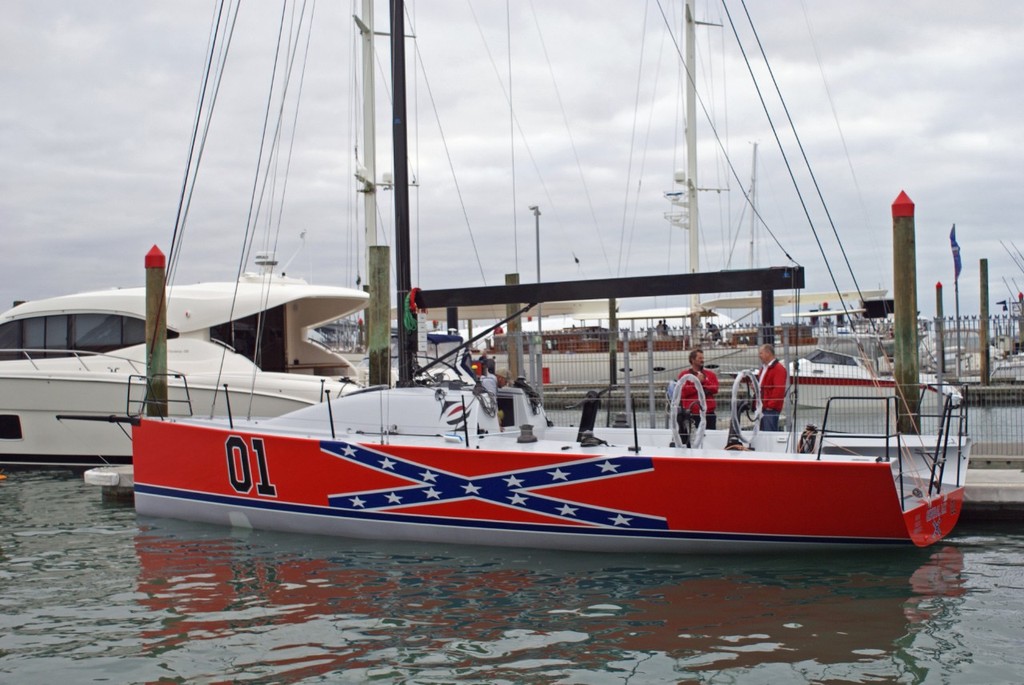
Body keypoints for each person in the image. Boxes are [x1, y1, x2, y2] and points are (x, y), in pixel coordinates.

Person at [678, 348, 719, 430]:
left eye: (703, 358)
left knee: (710, 437)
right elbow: (682, 392)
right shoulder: (684, 375)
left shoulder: (710, 375)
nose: (702, 360)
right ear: (692, 360)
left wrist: (704, 382)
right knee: (691, 439)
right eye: (700, 358)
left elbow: (715, 389)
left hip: (708, 414)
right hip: (691, 414)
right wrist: (696, 383)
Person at [755, 343, 787, 431]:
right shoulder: (764, 368)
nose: (759, 355)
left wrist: (770, 405)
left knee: (769, 433)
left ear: (768, 353)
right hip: (763, 407)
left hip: (769, 409)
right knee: (763, 433)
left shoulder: (778, 369)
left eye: (761, 353)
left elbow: (779, 389)